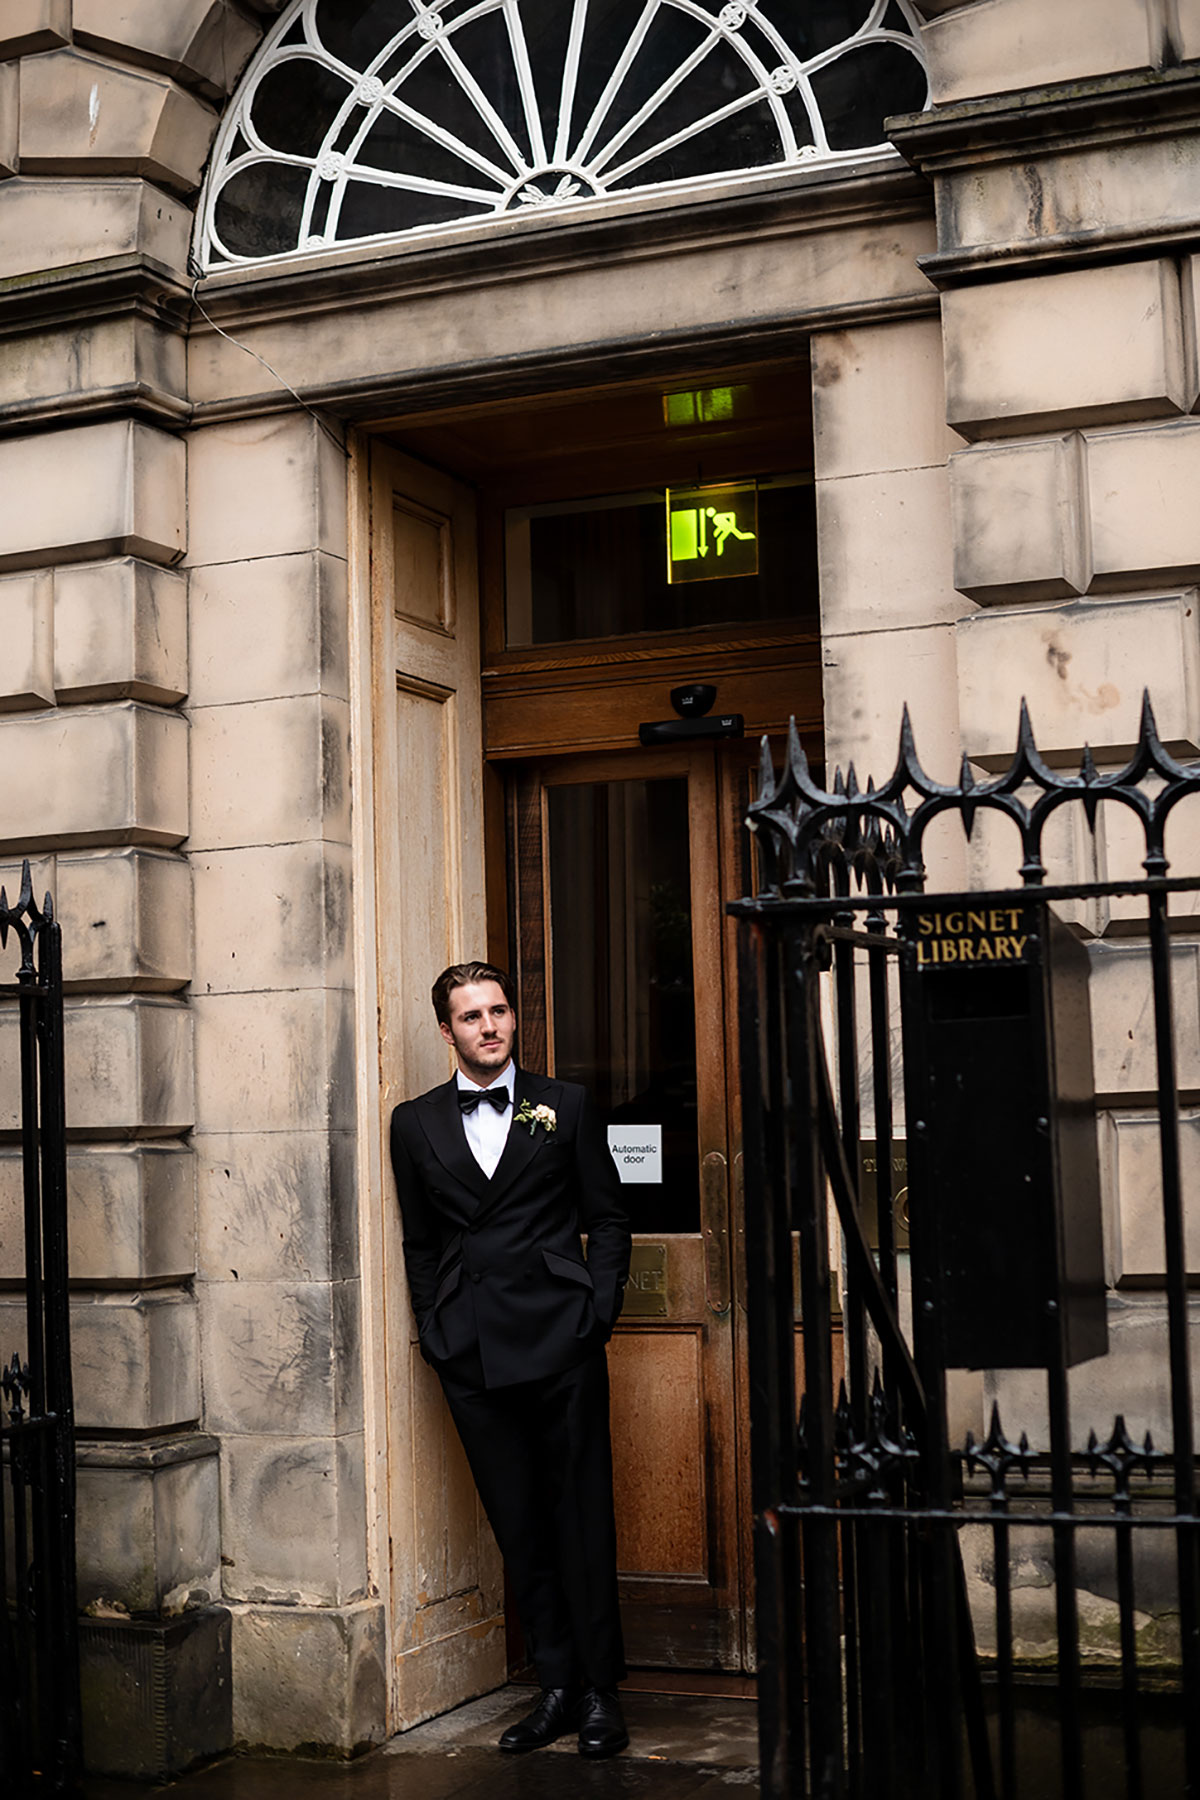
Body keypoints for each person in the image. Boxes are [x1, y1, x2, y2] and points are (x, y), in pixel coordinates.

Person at [389, 960, 632, 1758]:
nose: (489, 1026)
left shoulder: (563, 1106)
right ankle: (555, 1688)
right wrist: (435, 1328)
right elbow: (420, 1242)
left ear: (512, 1019)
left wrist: (595, 1313)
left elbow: (608, 1215)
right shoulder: (414, 1121)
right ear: (446, 1030)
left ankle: (600, 1693)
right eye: (471, 1017)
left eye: (498, 1012)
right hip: (474, 1352)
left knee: (580, 1519)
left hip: (560, 1339)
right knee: (519, 1524)